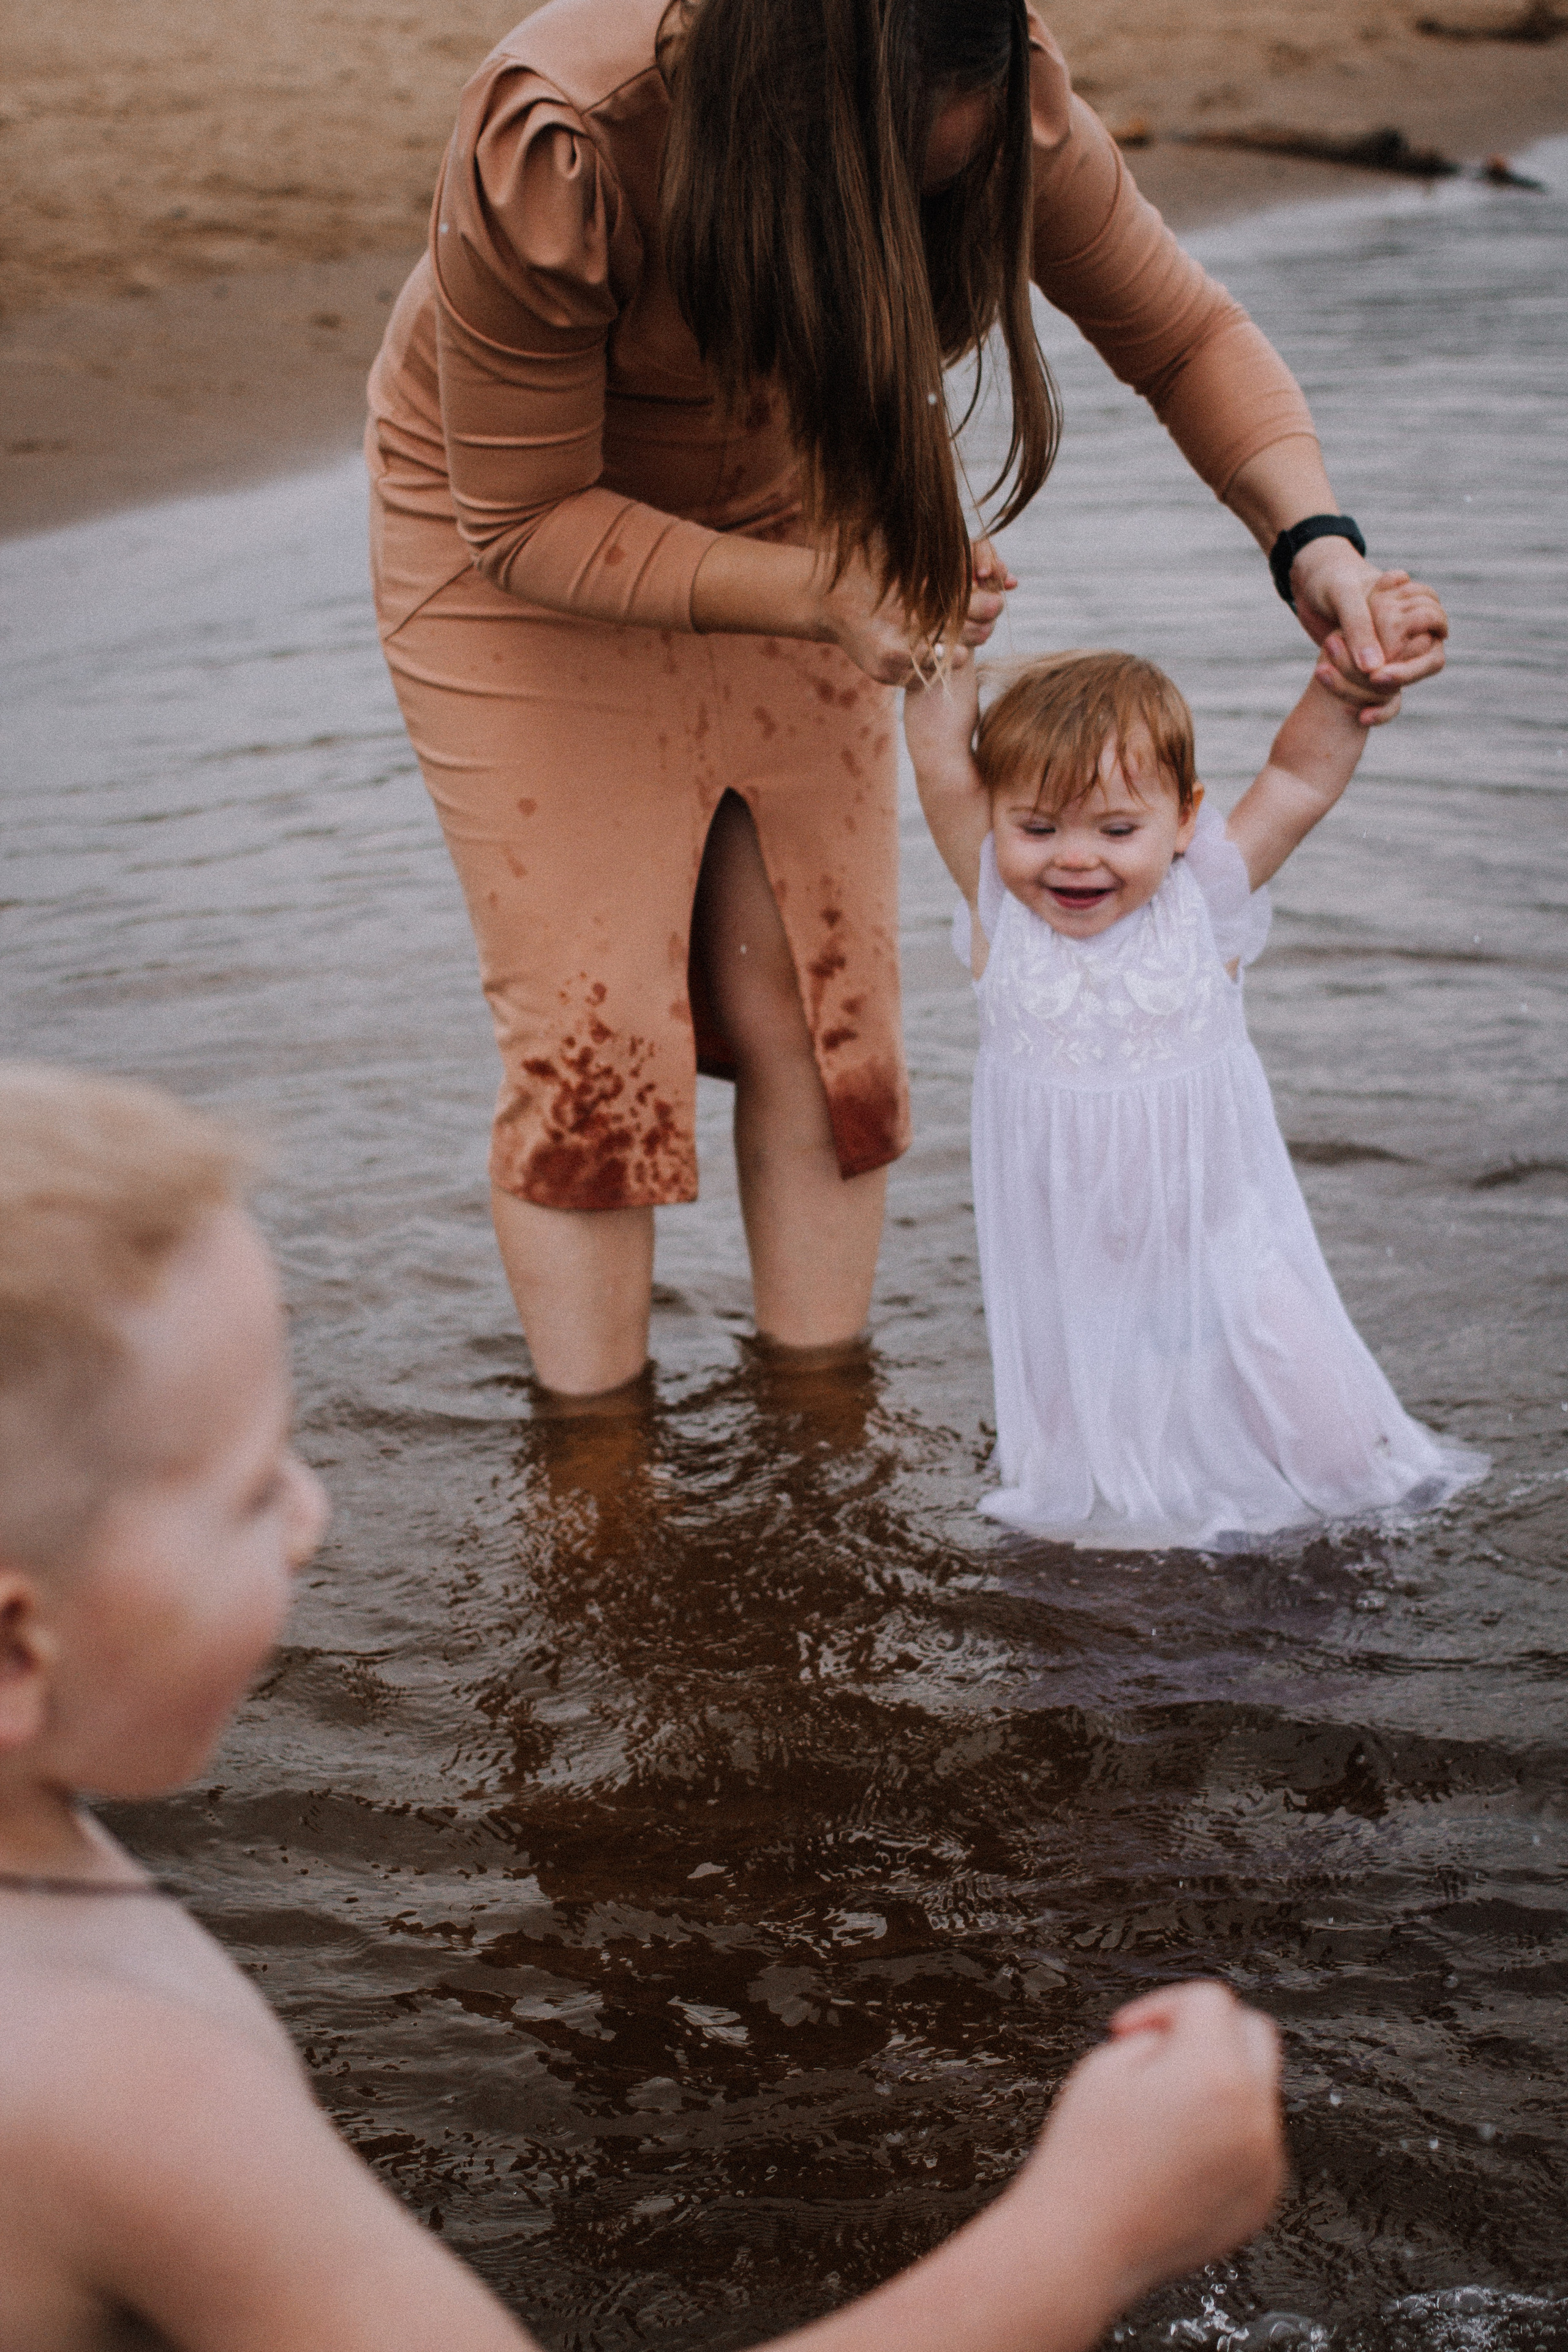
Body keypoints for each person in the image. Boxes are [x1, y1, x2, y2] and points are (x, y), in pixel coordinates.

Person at [0, 1061, 1286, 2348]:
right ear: (16, 1654)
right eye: (248, 1492)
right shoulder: (124, 2086)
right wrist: (1092, 2229)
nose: (311, 1511)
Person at [365, 0, 1448, 1401]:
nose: (918, 224)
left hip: (816, 505)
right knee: (594, 1043)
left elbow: (1178, 334)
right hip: (525, 542)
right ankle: (596, 1486)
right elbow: (522, 515)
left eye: (941, 191)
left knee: (826, 1026)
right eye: (885, 193)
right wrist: (820, 592)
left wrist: (1315, 543)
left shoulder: (985, 65)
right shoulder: (562, 140)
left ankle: (821, 1427)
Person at [903, 619, 1487, 1546]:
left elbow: (1296, 783)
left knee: (1343, 1457)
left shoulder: (1201, 905)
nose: (1076, 857)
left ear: (1185, 821)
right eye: (1038, 826)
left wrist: (1342, 694)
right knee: (1096, 1496)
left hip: (1227, 1261)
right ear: (999, 821)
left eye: (1118, 828)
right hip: (1077, 1290)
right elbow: (941, 766)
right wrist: (944, 640)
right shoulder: (998, 917)